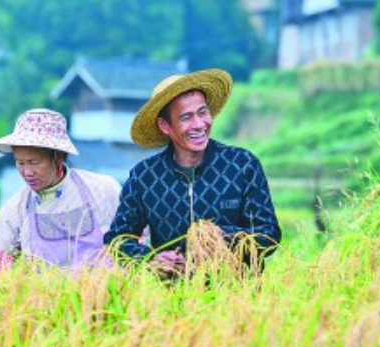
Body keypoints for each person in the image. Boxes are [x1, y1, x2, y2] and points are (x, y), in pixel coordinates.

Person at [103, 68, 281, 277]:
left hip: (237, 297)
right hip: (172, 299)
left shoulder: (242, 164)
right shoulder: (144, 177)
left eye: (203, 112)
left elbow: (269, 234)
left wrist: (218, 238)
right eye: (186, 117)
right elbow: (117, 239)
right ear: (165, 126)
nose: (199, 125)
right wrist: (151, 259)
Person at [0, 108, 121, 269]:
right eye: (20, 163)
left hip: (101, 294)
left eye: (34, 162)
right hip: (42, 296)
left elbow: (130, 242)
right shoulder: (15, 209)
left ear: (59, 157)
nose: (27, 172)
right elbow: (1, 263)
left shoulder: (102, 189)